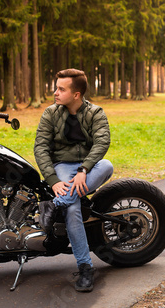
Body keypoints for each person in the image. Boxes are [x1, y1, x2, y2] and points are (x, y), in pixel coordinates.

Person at [34, 68, 114, 292]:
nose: (55, 93)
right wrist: (52, 179)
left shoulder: (96, 113)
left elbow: (102, 143)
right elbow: (40, 147)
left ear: (76, 94)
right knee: (72, 210)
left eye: (61, 89)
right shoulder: (50, 113)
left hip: (88, 167)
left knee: (108, 165)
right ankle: (86, 267)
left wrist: (84, 169)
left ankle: (54, 205)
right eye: (56, 88)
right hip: (62, 168)